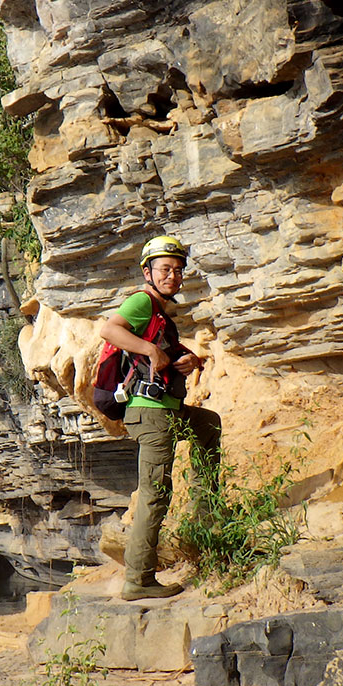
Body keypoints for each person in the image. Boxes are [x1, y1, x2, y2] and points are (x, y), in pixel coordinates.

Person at [100, 234, 221, 601]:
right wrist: (150, 349)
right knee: (154, 496)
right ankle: (138, 580)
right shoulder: (141, 302)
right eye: (165, 269)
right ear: (147, 272)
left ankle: (205, 516)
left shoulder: (160, 315)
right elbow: (109, 329)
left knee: (208, 424)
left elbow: (163, 356)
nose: (173, 276)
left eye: (178, 270)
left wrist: (188, 360)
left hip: (166, 409)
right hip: (150, 413)